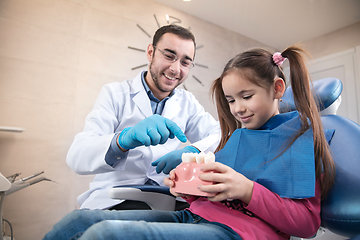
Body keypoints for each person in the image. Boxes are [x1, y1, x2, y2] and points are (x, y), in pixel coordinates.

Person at [43, 46, 336, 240]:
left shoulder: (298, 139)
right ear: (151, 52)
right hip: (194, 215)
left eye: (246, 97)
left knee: (105, 234)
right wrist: (187, 185)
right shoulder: (238, 135)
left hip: (240, 231)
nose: (237, 109)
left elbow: (306, 225)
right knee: (77, 223)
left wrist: (247, 190)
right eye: (231, 100)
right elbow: (212, 195)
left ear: (277, 89)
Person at [66, 24, 220, 211]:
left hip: (167, 197)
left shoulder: (187, 102)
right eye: (169, 56)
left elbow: (221, 134)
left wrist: (194, 151)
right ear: (150, 52)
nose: (175, 69)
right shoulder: (115, 93)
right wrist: (122, 141)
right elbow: (77, 156)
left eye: (185, 62)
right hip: (116, 197)